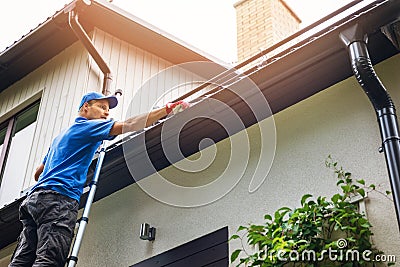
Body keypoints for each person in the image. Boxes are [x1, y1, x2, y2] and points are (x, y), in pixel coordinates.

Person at [9, 91, 189, 267]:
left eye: (108, 109)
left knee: (22, 260)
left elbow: (38, 173)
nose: (106, 112)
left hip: (34, 200)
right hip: (58, 200)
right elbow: (129, 123)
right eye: (101, 107)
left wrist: (73, 168)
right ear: (85, 107)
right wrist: (166, 109)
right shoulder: (87, 127)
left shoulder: (60, 138)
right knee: (50, 258)